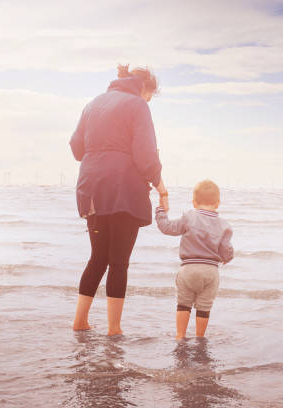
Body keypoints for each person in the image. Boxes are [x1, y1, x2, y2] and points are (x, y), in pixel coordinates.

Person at [69, 64, 169, 336]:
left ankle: (80, 321)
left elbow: (76, 147)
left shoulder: (93, 104)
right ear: (145, 88)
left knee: (98, 257)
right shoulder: (137, 105)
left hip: (91, 188)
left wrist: (100, 151)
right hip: (123, 189)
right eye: (150, 95)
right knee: (119, 262)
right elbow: (145, 155)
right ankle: (114, 328)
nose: (149, 100)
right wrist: (161, 188)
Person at [155, 180, 233, 339]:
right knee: (204, 307)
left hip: (188, 269)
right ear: (217, 203)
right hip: (211, 272)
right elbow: (226, 249)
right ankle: (199, 337)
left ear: (194, 202)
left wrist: (160, 212)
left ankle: (180, 336)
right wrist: (227, 258)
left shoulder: (189, 216)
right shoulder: (224, 224)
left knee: (183, 304)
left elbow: (167, 228)